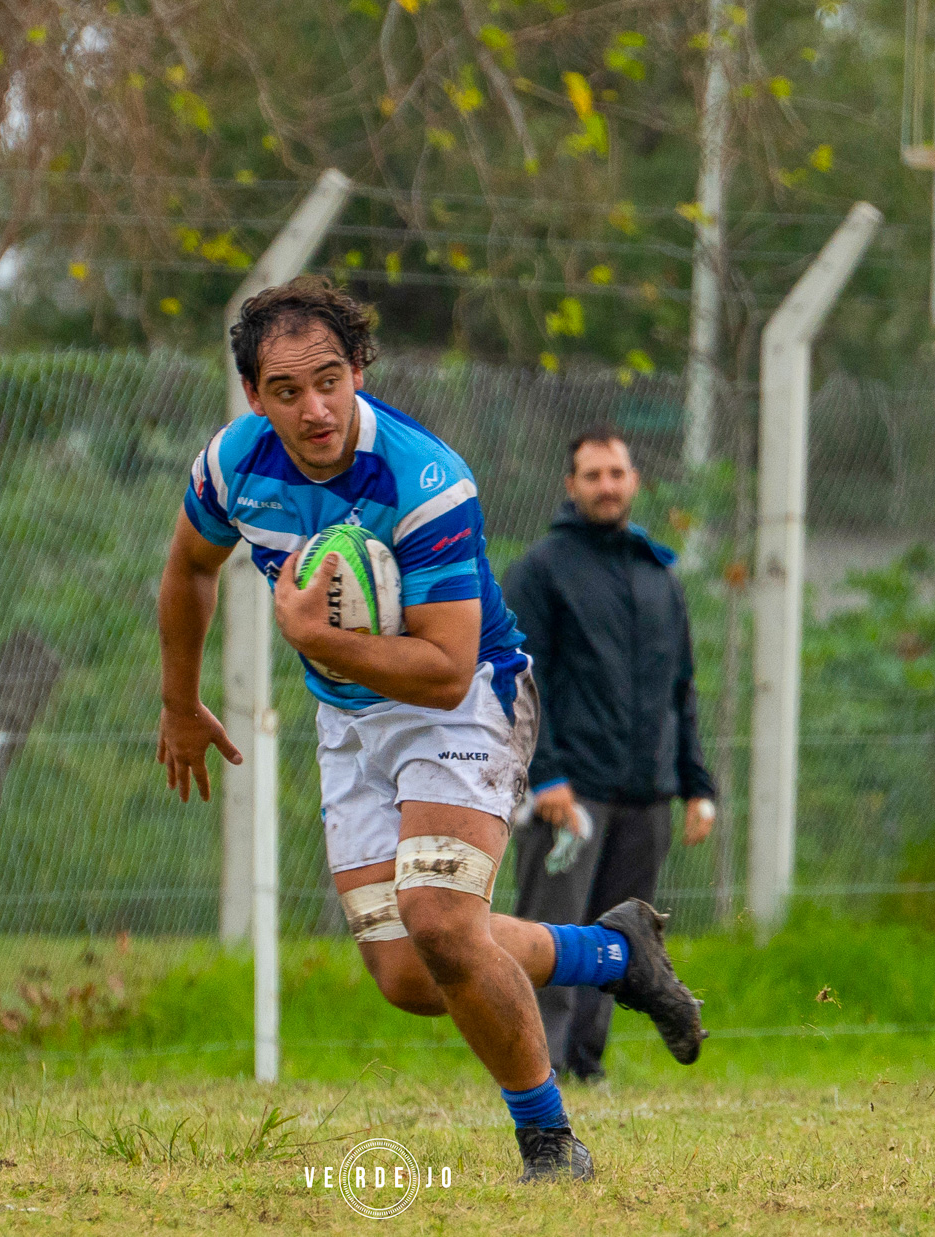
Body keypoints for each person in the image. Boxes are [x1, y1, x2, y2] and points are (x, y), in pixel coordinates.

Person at [154, 277, 708, 1183]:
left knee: (444, 922)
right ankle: (615, 951)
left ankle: (551, 1142)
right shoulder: (230, 465)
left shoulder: (425, 479)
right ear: (254, 395)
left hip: (466, 706)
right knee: (414, 976)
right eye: (285, 390)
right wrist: (180, 701)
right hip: (351, 718)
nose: (314, 407)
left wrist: (312, 636)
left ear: (360, 368)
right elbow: (188, 566)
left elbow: (446, 665)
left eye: (329, 379)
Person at [504, 428, 718, 1085]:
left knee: (625, 940)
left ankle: (585, 1064)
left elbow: (681, 686)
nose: (606, 485)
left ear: (634, 481)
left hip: (646, 792)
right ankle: (536, 1065)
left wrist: (695, 784)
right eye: (592, 474)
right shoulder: (542, 570)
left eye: (616, 473)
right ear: (571, 485)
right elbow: (518, 678)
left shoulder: (658, 574)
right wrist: (546, 776)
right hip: (572, 791)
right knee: (554, 931)